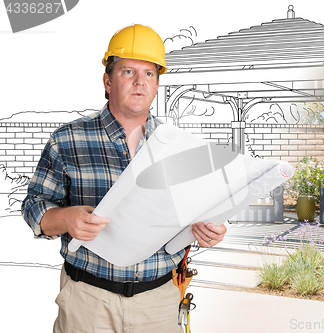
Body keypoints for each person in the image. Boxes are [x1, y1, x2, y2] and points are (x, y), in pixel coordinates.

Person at [21, 24, 227, 333]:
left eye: (149, 74)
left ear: (157, 85)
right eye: (128, 72)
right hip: (87, 301)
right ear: (107, 81)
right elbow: (34, 206)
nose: (140, 83)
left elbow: (192, 215)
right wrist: (66, 219)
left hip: (158, 303)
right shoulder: (67, 140)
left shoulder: (180, 148)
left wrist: (206, 230)